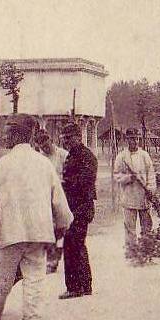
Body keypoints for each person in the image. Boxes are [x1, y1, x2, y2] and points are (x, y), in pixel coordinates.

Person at [0, 114, 73, 320]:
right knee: (35, 275)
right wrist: (62, 223)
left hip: (10, 232)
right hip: (39, 231)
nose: (4, 137)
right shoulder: (43, 163)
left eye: (8, 133)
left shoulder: (4, 164)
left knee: (2, 277)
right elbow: (58, 199)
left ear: (18, 135)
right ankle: (33, 317)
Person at [58, 122, 97, 299]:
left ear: (78, 137)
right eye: (64, 138)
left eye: (68, 138)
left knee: (75, 245)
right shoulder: (72, 155)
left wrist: (64, 185)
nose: (65, 141)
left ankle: (76, 287)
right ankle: (83, 285)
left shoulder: (87, 156)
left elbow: (85, 182)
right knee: (75, 245)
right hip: (73, 207)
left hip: (81, 207)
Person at [114, 127, 156, 256]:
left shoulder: (144, 155)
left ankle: (146, 250)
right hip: (129, 196)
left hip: (144, 196)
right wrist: (129, 178)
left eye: (137, 138)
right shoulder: (122, 157)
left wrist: (150, 189)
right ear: (127, 140)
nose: (135, 141)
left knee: (146, 225)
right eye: (132, 139)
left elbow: (151, 174)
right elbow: (117, 176)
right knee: (130, 227)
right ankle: (132, 251)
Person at [34, 129, 69, 273]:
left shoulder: (63, 155)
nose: (45, 147)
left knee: (62, 228)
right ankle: (51, 260)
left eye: (46, 143)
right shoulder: (39, 159)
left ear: (50, 140)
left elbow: (69, 175)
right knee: (49, 228)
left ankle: (61, 258)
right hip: (45, 197)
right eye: (41, 145)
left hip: (62, 195)